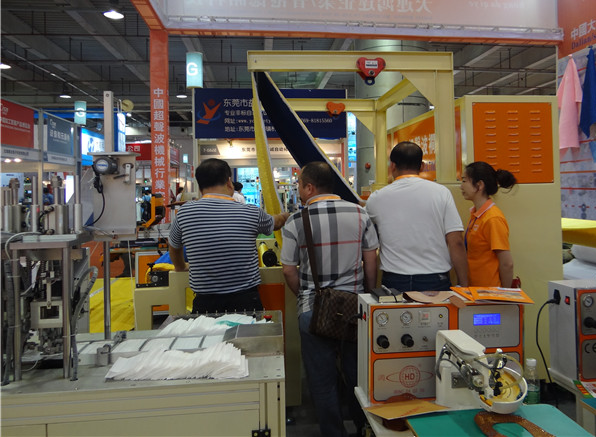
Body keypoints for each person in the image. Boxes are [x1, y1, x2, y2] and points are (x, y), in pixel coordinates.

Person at [281, 161, 379, 437]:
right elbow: (371, 260)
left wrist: (305, 297)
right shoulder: (360, 214)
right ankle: (365, 428)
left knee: (322, 382)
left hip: (314, 310)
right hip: (354, 310)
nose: (299, 190)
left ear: (310, 187)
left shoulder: (296, 221)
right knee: (359, 376)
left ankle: (334, 433)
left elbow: (288, 269)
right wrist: (367, 295)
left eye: (300, 185)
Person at [168, 158, 290, 314]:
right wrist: (285, 215)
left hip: (205, 303)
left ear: (200, 186)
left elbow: (174, 245)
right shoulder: (250, 212)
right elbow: (276, 223)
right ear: (229, 182)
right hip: (245, 300)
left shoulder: (184, 213)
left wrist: (180, 267)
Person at [365, 141, 468, 291]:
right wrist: (464, 285)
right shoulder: (441, 193)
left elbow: (363, 229)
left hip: (395, 281)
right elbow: (456, 242)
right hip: (435, 280)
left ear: (392, 166)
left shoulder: (377, 198)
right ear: (422, 166)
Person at [459, 161, 517, 287]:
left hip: (490, 292)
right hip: (475, 290)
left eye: (464, 181)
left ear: (479, 185)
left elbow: (507, 263)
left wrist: (504, 294)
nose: (461, 186)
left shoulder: (493, 218)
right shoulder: (476, 215)